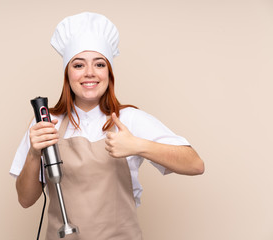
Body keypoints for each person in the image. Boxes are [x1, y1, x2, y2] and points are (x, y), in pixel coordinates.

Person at [10, 12, 204, 240]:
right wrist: (34, 153)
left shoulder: (130, 120)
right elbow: (25, 200)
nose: (89, 73)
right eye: (79, 65)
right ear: (67, 74)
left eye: (99, 64)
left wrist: (138, 146)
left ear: (109, 73)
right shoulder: (45, 123)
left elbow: (195, 164)